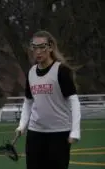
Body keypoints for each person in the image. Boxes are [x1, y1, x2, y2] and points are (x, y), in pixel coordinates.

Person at [15, 30, 81, 169]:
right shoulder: (31, 73)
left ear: (50, 47)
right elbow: (28, 102)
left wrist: (75, 130)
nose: (38, 51)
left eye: (42, 47)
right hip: (35, 133)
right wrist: (22, 125)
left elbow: (74, 102)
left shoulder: (61, 71)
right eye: (34, 47)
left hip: (59, 133)